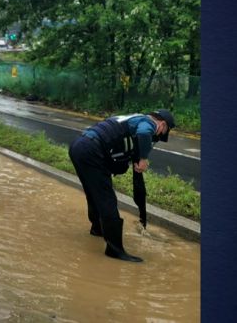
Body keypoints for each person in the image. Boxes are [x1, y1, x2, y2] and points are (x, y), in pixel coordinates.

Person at [68, 109, 175, 263]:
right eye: (164, 131)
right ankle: (115, 250)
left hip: (79, 146)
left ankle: (97, 229)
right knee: (107, 199)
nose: (159, 135)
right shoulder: (149, 123)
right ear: (162, 124)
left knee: (94, 194)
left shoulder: (134, 118)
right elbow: (144, 133)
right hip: (91, 151)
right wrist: (143, 158)